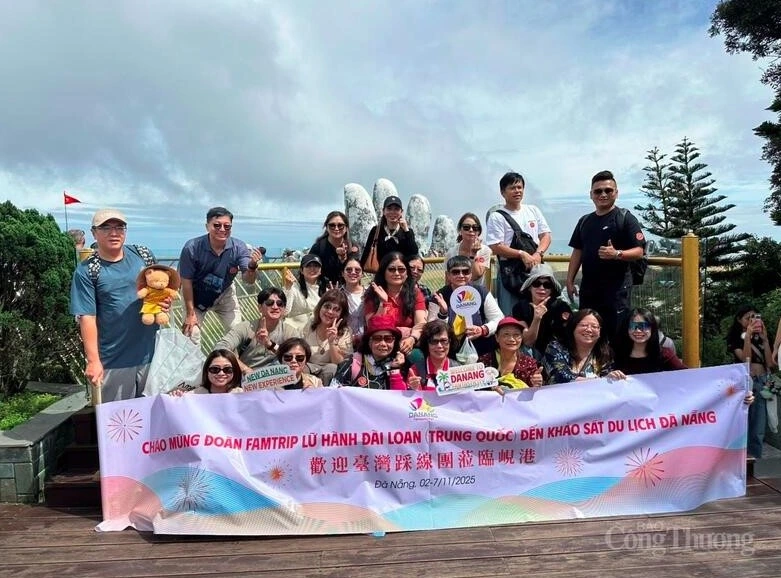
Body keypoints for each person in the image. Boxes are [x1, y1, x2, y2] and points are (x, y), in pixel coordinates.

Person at [70, 209, 161, 402]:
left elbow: (159, 289)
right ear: (94, 233)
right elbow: (87, 317)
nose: (114, 233)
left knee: (155, 421)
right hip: (114, 360)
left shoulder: (143, 255)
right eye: (106, 228)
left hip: (153, 354)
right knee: (120, 424)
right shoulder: (87, 271)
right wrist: (93, 361)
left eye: (119, 227)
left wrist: (164, 302)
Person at [566, 171, 646, 339]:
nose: (603, 194)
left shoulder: (625, 218)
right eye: (598, 191)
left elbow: (639, 251)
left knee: (616, 334)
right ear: (591, 195)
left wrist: (616, 254)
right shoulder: (584, 221)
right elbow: (577, 251)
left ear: (616, 193)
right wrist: (570, 280)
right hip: (589, 289)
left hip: (616, 291)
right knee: (588, 332)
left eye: (608, 190)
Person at [179, 207, 263, 347]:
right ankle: (196, 368)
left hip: (224, 294)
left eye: (227, 226)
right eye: (217, 225)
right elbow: (186, 282)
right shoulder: (192, 247)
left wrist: (253, 266)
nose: (222, 229)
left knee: (238, 332)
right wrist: (190, 313)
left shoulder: (238, 247)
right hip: (195, 295)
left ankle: (234, 366)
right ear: (207, 226)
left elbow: (248, 280)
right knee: (191, 334)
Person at [486, 172, 552, 315]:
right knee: (511, 314)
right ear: (503, 192)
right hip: (511, 274)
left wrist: (538, 253)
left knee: (537, 313)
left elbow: (545, 235)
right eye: (512, 188)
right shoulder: (497, 217)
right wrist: (521, 254)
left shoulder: (533, 210)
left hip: (534, 271)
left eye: (520, 187)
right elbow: (495, 246)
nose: (517, 191)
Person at [428, 255, 503, 356]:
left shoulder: (481, 292)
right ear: (448, 275)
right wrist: (443, 313)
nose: (461, 275)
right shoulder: (440, 296)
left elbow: (498, 318)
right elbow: (431, 330)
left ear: (471, 274)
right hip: (449, 346)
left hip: (479, 342)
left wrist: (483, 329)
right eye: (455, 272)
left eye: (465, 271)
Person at [213, 288, 299, 374]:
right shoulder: (245, 327)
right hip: (248, 378)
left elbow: (297, 357)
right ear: (260, 308)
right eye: (270, 303)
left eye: (279, 303)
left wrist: (270, 344)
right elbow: (220, 347)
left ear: (284, 308)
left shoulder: (290, 332)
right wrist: (245, 369)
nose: (275, 307)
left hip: (279, 378)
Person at [726, 305, 772, 459]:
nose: (752, 321)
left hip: (762, 381)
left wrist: (765, 340)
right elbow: (746, 359)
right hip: (746, 382)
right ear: (739, 320)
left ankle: (754, 461)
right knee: (742, 423)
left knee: (758, 427)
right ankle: (739, 460)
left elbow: (770, 363)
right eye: (748, 318)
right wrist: (747, 337)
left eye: (755, 317)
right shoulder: (735, 338)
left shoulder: (762, 337)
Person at [363, 252, 426, 355]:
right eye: (391, 269)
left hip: (408, 344)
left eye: (401, 269)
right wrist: (382, 303)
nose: (397, 273)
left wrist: (412, 338)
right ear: (384, 272)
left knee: (418, 357)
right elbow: (371, 326)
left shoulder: (415, 293)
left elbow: (421, 323)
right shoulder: (373, 294)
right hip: (380, 345)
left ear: (407, 274)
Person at [543, 308, 625, 384]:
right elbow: (560, 376)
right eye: (584, 325)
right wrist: (596, 381)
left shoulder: (604, 354)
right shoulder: (555, 348)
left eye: (594, 327)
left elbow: (605, 383)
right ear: (573, 327)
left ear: (600, 332)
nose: (589, 330)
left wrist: (610, 378)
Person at [511, 264, 572, 359]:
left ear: (552, 289)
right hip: (531, 353)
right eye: (536, 283)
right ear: (530, 286)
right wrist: (537, 318)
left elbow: (567, 338)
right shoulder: (520, 307)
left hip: (556, 354)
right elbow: (528, 341)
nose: (542, 288)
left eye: (547, 285)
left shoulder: (561, 307)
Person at [330, 315, 406, 389]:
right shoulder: (351, 363)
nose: (383, 343)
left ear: (394, 342)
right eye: (377, 338)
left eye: (388, 339)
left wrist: (395, 369)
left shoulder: (401, 364)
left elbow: (399, 399)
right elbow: (334, 393)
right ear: (369, 341)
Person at [301, 290, 353, 385]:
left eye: (336, 309)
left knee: (332, 368)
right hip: (309, 367)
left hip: (329, 373)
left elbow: (339, 364)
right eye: (327, 307)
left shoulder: (345, 332)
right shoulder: (310, 324)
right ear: (320, 307)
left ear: (342, 314)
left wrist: (332, 343)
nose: (330, 312)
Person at [613, 309, 686, 374]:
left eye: (643, 326)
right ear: (626, 329)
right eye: (633, 326)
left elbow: (686, 375)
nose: (638, 330)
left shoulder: (665, 354)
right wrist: (609, 377)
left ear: (652, 328)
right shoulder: (615, 355)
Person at [478, 317, 543, 389]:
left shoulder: (529, 364)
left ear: (521, 338)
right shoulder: (484, 362)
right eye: (506, 334)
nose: (511, 339)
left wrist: (536, 383)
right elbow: (476, 389)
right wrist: (491, 389)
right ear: (497, 337)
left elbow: (535, 392)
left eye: (516, 335)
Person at [360, 195, 419, 267]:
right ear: (383, 211)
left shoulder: (407, 232)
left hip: (400, 273)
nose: (392, 212)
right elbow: (366, 252)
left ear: (401, 212)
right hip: (380, 273)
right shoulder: (376, 231)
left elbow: (414, 253)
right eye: (389, 209)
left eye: (396, 209)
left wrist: (406, 230)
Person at [406, 320, 460, 391]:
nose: (439, 346)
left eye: (444, 340)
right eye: (434, 341)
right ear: (426, 344)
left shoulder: (459, 369)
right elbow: (410, 400)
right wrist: (413, 389)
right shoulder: (415, 370)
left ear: (450, 341)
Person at [309, 211, 358, 286]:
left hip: (347, 289)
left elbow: (355, 270)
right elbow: (310, 268)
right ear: (326, 227)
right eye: (332, 225)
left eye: (340, 225)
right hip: (324, 289)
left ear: (346, 228)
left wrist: (343, 259)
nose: (336, 228)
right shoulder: (318, 247)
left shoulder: (352, 247)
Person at [445, 213, 492, 286]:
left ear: (479, 231)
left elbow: (476, 276)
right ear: (460, 231)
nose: (471, 230)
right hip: (457, 293)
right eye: (466, 227)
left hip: (477, 293)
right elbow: (448, 280)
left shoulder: (485, 250)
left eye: (475, 227)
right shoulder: (451, 253)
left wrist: (473, 254)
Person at [283, 253, 327, 330]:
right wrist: (288, 288)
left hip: (317, 331)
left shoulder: (326, 290)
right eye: (308, 266)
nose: (312, 269)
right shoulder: (293, 287)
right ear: (301, 270)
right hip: (295, 331)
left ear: (321, 270)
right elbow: (285, 312)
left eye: (316, 266)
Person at [341, 257, 367, 343]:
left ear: (362, 274)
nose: (353, 272)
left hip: (368, 341)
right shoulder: (337, 294)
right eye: (348, 270)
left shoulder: (370, 293)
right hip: (343, 341)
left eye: (357, 270)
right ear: (342, 273)